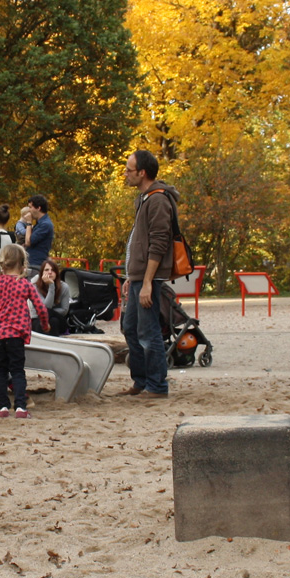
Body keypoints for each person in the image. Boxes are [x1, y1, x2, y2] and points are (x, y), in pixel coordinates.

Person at [119, 149, 177, 399]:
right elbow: (139, 241)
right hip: (139, 276)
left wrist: (147, 283)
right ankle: (141, 381)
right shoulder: (143, 199)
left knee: (148, 331)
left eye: (129, 170)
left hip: (149, 278)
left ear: (142, 173)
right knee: (130, 327)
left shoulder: (158, 199)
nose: (125, 174)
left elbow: (158, 243)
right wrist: (131, 276)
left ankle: (157, 386)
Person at [0, 244, 49, 419]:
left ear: (2, 263)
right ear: (22, 264)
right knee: (17, 370)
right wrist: (45, 324)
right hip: (16, 335)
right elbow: (41, 307)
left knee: (0, 371)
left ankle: (2, 407)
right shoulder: (25, 285)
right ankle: (20, 407)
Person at [30, 259, 71, 336]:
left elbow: (64, 310)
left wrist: (51, 312)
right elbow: (45, 307)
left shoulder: (64, 287)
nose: (49, 272)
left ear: (56, 273)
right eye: (46, 270)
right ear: (42, 273)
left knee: (52, 317)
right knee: (53, 321)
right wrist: (51, 286)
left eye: (53, 270)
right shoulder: (35, 286)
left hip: (59, 319)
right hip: (37, 318)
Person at [22, 194, 54, 278]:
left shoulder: (45, 224)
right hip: (31, 263)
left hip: (36, 265)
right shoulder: (40, 223)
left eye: (30, 207)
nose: (29, 210)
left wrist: (29, 223)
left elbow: (28, 242)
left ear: (38, 208)